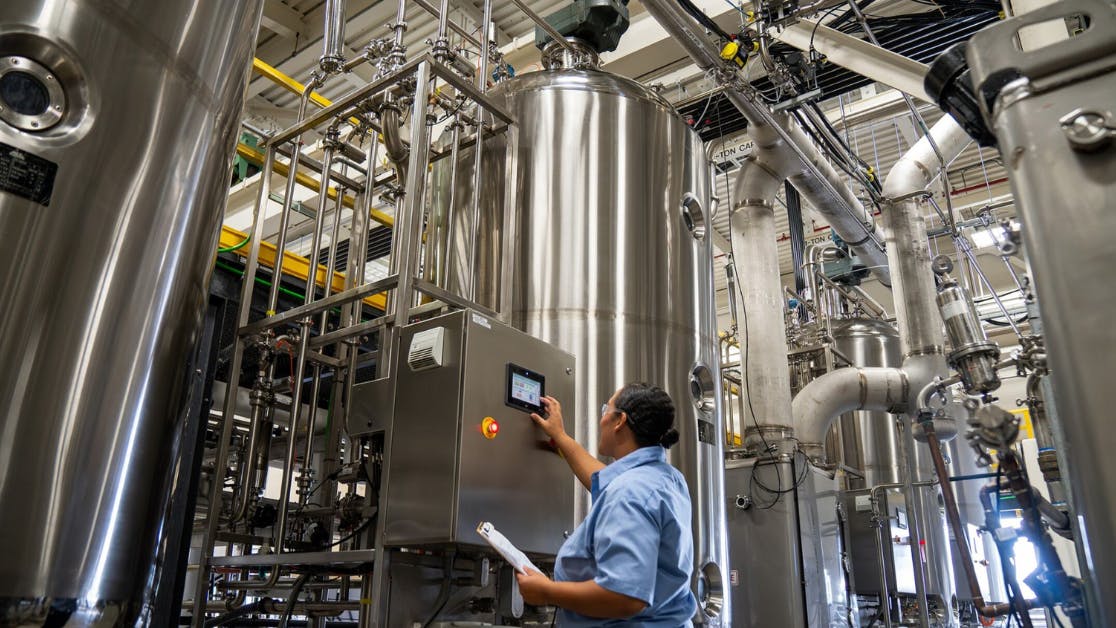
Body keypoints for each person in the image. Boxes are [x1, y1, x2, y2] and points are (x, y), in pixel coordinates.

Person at [516, 383, 697, 627]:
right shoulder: (665, 478)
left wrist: (547, 592)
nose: (601, 419)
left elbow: (625, 597)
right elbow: (604, 481)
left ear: (620, 420)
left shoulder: (631, 493)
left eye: (605, 409)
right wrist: (560, 437)